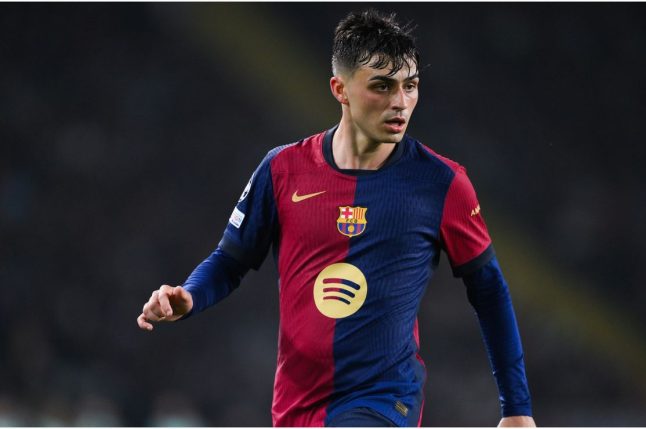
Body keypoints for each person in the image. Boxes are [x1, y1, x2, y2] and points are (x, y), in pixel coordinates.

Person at [137, 9, 535, 428]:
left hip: (385, 401)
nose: (400, 102)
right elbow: (230, 260)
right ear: (340, 89)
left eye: (410, 85)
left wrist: (517, 409)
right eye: (382, 86)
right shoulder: (282, 170)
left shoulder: (441, 183)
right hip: (296, 405)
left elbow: (488, 289)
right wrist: (191, 295)